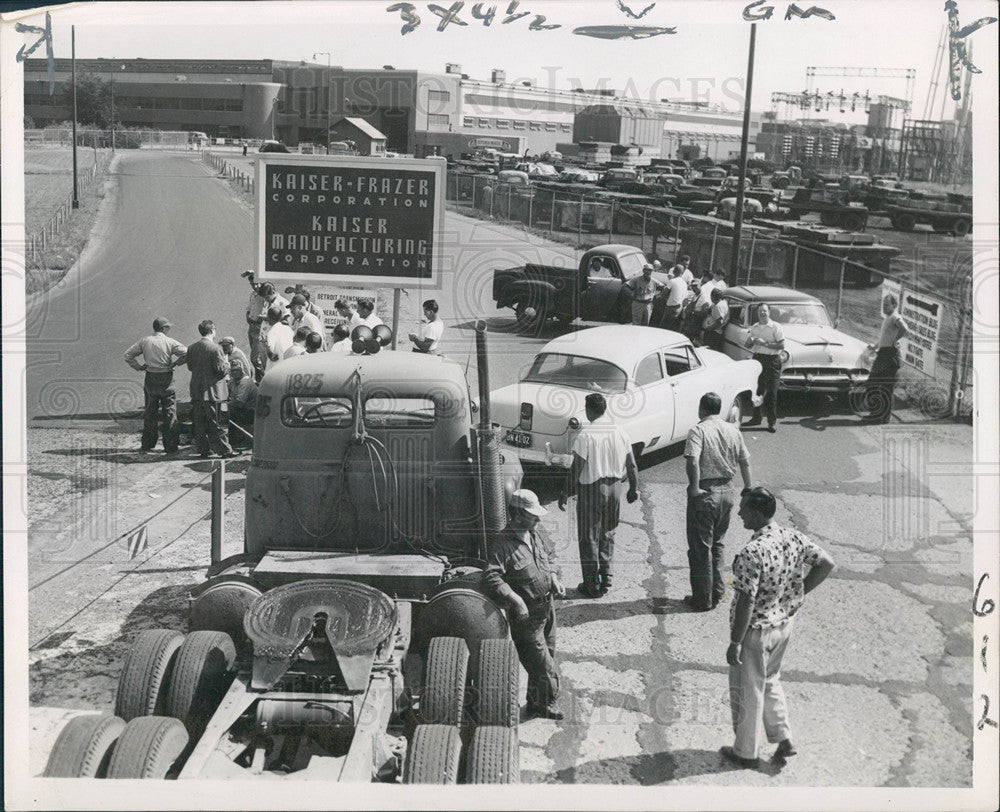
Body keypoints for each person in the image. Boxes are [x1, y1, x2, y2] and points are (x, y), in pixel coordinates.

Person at [723, 487, 836, 768]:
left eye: (744, 509)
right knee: (771, 679)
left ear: (758, 513)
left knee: (750, 689)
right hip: (784, 624)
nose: (739, 513)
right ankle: (784, 738)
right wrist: (798, 593)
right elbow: (826, 563)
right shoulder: (792, 536)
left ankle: (745, 753)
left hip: (757, 631)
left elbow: (746, 602)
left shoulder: (752, 552)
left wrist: (735, 641)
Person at [483, 489, 566, 720]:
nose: (538, 519)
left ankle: (535, 703)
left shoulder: (534, 534)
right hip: (527, 618)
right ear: (518, 515)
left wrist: (555, 579)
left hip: (547, 609)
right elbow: (491, 577)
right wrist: (516, 600)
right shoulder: (502, 544)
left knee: (548, 654)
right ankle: (548, 702)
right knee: (543, 666)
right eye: (533, 515)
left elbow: (547, 558)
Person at [558, 393, 639, 598]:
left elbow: (577, 468)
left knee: (589, 537)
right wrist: (633, 488)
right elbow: (632, 464)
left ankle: (592, 584)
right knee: (608, 532)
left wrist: (565, 491)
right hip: (615, 488)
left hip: (593, 489)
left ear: (589, 410)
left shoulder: (586, 436)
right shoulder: (620, 431)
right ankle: (607, 575)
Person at [683, 392, 753, 612]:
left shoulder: (698, 430)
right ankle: (718, 589)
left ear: (701, 408)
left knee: (701, 547)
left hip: (706, 492)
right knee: (718, 543)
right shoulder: (733, 430)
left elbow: (693, 460)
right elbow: (745, 461)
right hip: (728, 491)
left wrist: (694, 487)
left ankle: (703, 598)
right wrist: (748, 487)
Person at [123, 317, 187, 454]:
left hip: (151, 377)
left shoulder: (145, 341)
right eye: (168, 327)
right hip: (166, 378)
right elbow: (188, 353)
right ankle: (170, 446)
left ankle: (148, 443)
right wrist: (176, 363)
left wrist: (139, 367)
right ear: (163, 328)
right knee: (169, 412)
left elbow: (128, 355)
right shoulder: (170, 342)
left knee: (150, 411)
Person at [186, 320, 236, 459]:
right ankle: (225, 450)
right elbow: (221, 371)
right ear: (213, 330)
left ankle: (204, 449)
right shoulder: (216, 349)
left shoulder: (192, 348)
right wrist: (227, 364)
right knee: (219, 423)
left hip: (197, 391)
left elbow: (190, 367)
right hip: (215, 392)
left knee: (200, 423)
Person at [863, 292, 909, 423]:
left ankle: (880, 417)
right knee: (877, 385)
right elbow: (885, 337)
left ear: (894, 305)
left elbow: (905, 329)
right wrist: (875, 346)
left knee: (883, 387)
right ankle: (878, 415)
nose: (884, 307)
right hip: (884, 353)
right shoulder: (888, 318)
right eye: (883, 304)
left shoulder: (895, 317)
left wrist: (896, 340)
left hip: (890, 355)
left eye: (887, 305)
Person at [744, 303, 784, 433]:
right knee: (756, 390)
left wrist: (765, 343)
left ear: (769, 312)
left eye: (764, 311)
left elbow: (781, 345)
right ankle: (756, 418)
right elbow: (748, 345)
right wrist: (750, 341)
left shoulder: (775, 327)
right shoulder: (754, 327)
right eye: (760, 311)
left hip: (772, 360)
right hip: (758, 359)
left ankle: (771, 422)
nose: (762, 313)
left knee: (772, 393)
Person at [247, 281, 288, 379]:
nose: (265, 299)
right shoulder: (267, 302)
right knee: (264, 366)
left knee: (274, 366)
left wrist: (268, 318)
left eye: (266, 297)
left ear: (272, 292)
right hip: (263, 338)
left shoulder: (283, 303)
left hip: (275, 341)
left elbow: (287, 321)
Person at [227, 361, 258, 449]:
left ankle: (234, 441)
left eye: (237, 370)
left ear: (242, 371)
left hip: (251, 411)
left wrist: (226, 405)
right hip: (241, 409)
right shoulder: (232, 381)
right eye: (232, 371)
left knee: (228, 413)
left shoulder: (245, 382)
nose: (234, 372)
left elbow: (239, 402)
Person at [702, 288, 730, 352]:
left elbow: (719, 322)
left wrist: (709, 329)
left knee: (708, 350)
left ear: (712, 297)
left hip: (714, 333)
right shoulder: (722, 303)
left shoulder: (718, 306)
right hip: (715, 332)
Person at [661, 265, 688, 330]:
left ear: (673, 272)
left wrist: (666, 297)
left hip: (671, 308)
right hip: (679, 308)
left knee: (663, 328)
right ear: (682, 273)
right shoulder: (684, 283)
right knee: (673, 329)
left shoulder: (672, 281)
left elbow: (663, 294)